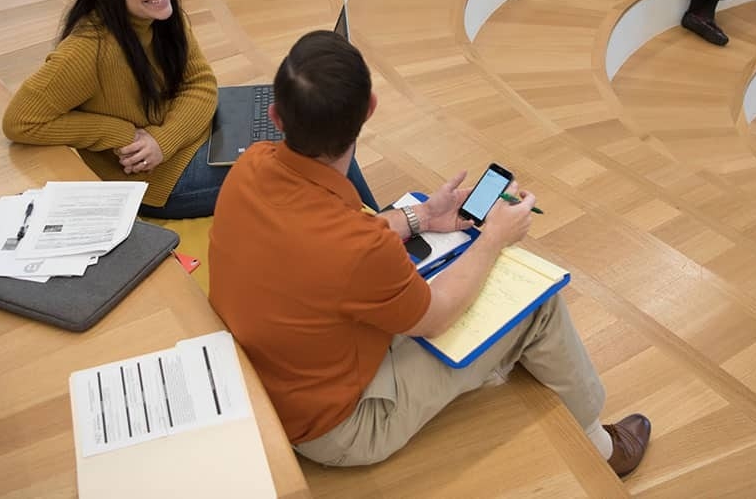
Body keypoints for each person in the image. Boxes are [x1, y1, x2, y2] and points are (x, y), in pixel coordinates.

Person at [209, 30, 652, 475]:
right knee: (540, 305)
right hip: (338, 431)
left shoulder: (250, 166)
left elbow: (326, 239)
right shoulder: (361, 248)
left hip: (269, 383)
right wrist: (495, 237)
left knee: (452, 272)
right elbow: (435, 314)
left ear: (275, 116)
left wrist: (422, 215)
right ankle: (602, 449)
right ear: (370, 109)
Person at [3, 0, 376, 218]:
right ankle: (380, 232)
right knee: (320, 150)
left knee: (327, 125)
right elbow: (21, 121)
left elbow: (201, 84)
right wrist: (118, 133)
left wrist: (162, 138)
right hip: (162, 180)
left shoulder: (163, 16)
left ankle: (378, 226)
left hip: (189, 136)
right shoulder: (87, 49)